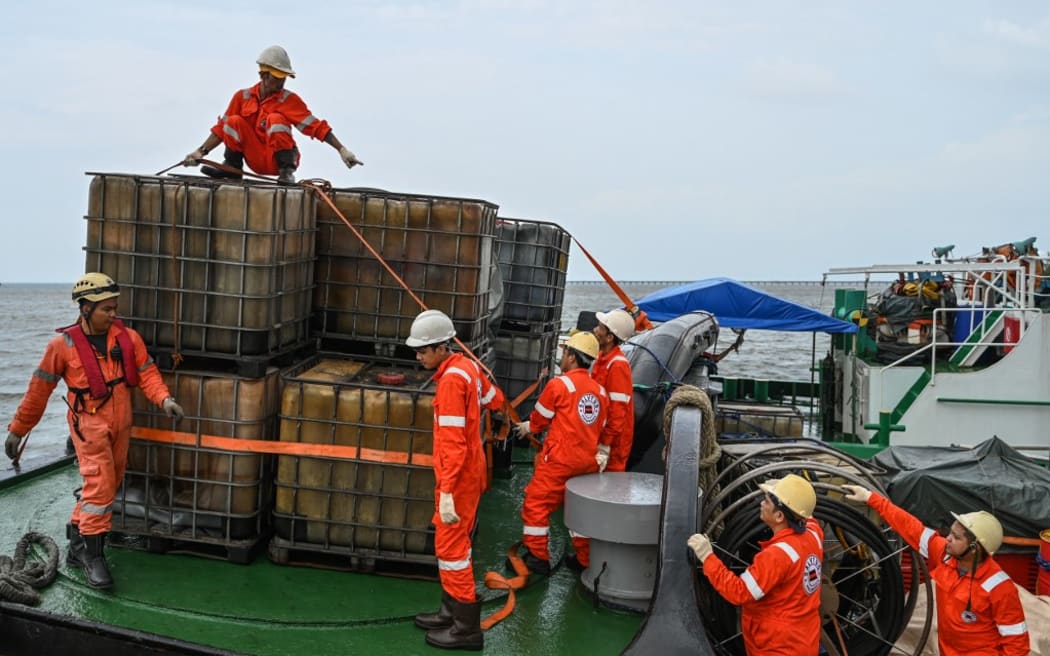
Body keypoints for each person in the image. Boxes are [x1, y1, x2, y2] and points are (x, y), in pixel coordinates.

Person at [5, 273, 184, 590]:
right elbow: (38, 392)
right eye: (106, 308)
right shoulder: (61, 347)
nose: (113, 313)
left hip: (121, 422)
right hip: (89, 425)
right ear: (85, 308)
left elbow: (147, 373)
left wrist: (165, 399)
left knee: (104, 487)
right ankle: (93, 557)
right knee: (100, 489)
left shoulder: (128, 339)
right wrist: (18, 431)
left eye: (114, 307)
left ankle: (76, 547)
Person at [406, 309, 505, 651]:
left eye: (422, 351)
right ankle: (450, 611)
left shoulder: (450, 381)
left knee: (452, 550)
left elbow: (452, 442)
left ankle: (466, 629)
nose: (418, 357)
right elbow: (495, 399)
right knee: (453, 545)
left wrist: (446, 490)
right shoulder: (468, 367)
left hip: (458, 477)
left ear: (441, 347)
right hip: (470, 470)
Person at [842, 484, 1029, 655]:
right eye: (950, 533)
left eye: (956, 537)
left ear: (975, 548)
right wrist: (870, 498)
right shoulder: (945, 555)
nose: (948, 539)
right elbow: (912, 528)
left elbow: (1016, 644)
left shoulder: (999, 588)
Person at [183, 45, 362, 185]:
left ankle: (286, 173)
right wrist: (200, 152)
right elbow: (221, 130)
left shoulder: (289, 100)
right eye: (277, 77)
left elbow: (316, 127)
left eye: (283, 77)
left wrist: (342, 150)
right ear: (263, 75)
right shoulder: (242, 97)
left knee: (275, 119)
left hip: (277, 161)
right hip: (254, 158)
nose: (281, 82)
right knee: (233, 121)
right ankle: (232, 169)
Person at [688, 474, 824, 655]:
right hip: (804, 640)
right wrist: (785, 490)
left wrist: (707, 557)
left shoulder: (776, 556)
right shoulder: (814, 534)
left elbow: (739, 592)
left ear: (779, 516)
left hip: (777, 646)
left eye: (767, 501)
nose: (761, 504)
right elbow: (808, 513)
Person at [514, 331, 607, 576]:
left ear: (573, 357)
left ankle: (537, 557)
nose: (562, 356)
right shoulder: (601, 392)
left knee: (536, 504)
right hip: (587, 463)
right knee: (579, 511)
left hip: (559, 462)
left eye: (565, 352)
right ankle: (584, 560)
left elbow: (539, 421)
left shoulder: (558, 385)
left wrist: (527, 427)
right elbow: (601, 427)